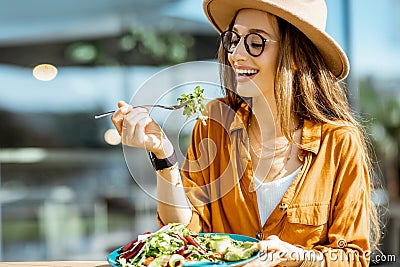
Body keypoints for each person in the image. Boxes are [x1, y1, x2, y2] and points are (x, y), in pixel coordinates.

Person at [112, 0, 380, 266]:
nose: (236, 54)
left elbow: (352, 257)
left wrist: (299, 257)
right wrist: (163, 155)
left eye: (255, 42)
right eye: (234, 39)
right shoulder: (212, 125)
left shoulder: (339, 142)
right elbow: (184, 237)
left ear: (297, 55)